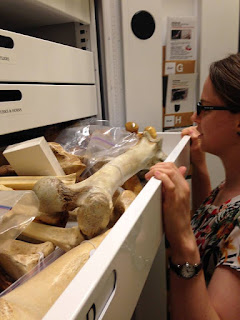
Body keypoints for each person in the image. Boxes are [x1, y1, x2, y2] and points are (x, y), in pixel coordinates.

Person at [145, 53, 240, 320]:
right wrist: (199, 168)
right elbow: (212, 232)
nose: (194, 116)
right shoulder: (231, 186)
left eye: (205, 108)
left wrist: (182, 241)